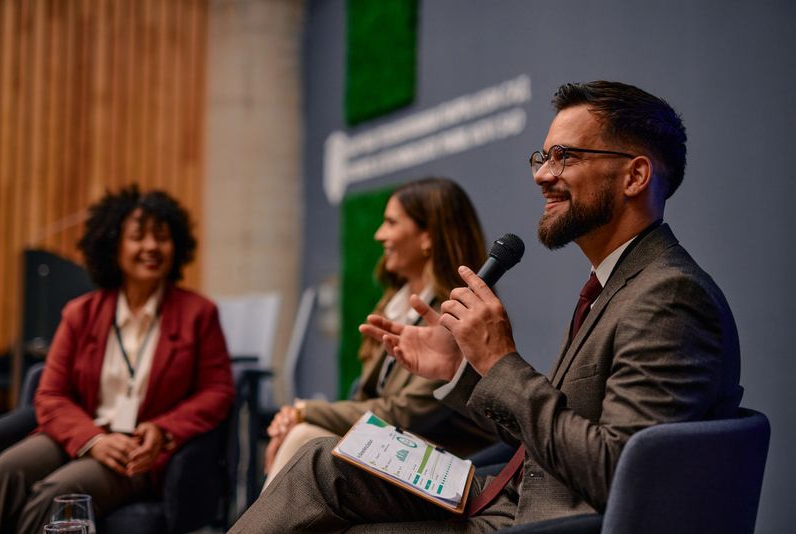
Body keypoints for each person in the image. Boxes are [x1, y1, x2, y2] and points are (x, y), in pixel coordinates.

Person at [228, 81, 744, 533]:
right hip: (504, 495)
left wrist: (501, 364)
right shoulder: (616, 285)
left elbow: (620, 474)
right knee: (324, 461)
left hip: (536, 522)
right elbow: (553, 429)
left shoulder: (671, 298)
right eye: (543, 157)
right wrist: (460, 370)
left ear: (634, 177)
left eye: (566, 156)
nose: (543, 175)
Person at [0, 185, 235, 533]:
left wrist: (164, 430)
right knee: (5, 472)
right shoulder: (80, 313)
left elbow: (218, 391)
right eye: (138, 237)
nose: (151, 247)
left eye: (163, 237)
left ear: (177, 246)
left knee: (59, 495)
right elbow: (50, 395)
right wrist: (93, 439)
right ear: (114, 245)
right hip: (77, 435)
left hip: (136, 453)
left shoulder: (199, 314)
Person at [263, 177, 498, 487]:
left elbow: (402, 414)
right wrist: (298, 415)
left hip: (442, 465)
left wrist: (305, 412)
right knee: (301, 436)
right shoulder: (392, 305)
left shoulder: (458, 317)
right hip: (389, 447)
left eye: (390, 223)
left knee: (304, 437)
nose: (379, 234)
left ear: (427, 237)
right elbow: (368, 401)